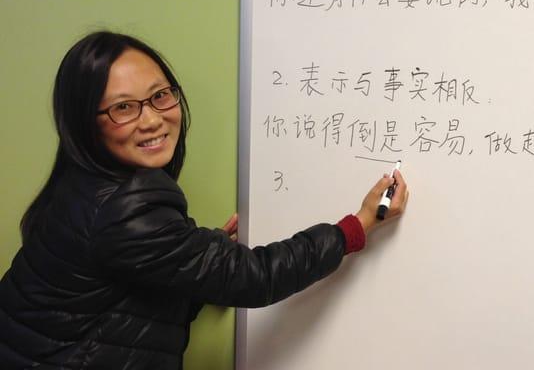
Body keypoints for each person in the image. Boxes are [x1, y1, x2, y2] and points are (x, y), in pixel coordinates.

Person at [0, 31, 408, 370]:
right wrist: (356, 227)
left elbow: (121, 296)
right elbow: (255, 278)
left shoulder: (80, 184)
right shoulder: (123, 210)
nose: (152, 118)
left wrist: (196, 255)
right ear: (84, 123)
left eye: (160, 95)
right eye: (124, 107)